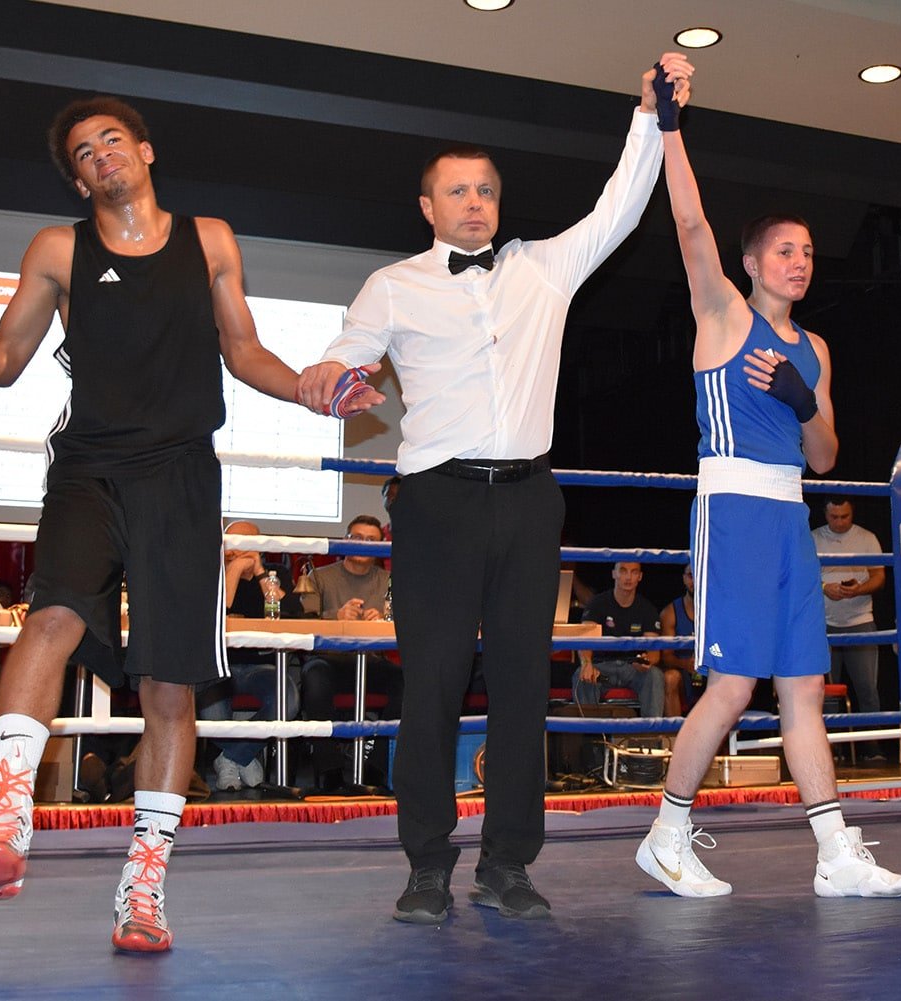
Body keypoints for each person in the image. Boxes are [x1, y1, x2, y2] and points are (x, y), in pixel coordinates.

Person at [0, 95, 310, 952]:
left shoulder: (212, 240)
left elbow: (243, 349)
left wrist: (309, 386)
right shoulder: (58, 249)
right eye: (84, 151)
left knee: (169, 688)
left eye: (113, 139)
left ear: (145, 152)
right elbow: (7, 357)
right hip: (90, 468)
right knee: (50, 618)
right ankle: (4, 820)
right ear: (79, 180)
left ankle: (143, 888)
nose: (102, 153)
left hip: (182, 477)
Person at [294, 54, 695, 924]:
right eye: (457, 191)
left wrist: (649, 118)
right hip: (436, 503)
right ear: (428, 207)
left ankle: (507, 862)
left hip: (528, 500)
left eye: (485, 190)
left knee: (520, 688)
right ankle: (426, 865)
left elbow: (621, 205)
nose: (474, 202)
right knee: (433, 685)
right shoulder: (392, 285)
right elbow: (346, 354)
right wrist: (332, 378)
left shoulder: (544, 268)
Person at [634, 74, 901, 901]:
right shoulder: (723, 313)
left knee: (804, 689)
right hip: (732, 511)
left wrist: (802, 399)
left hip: (790, 513)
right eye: (785, 251)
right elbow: (690, 223)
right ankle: (665, 835)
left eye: (809, 254)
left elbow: (825, 456)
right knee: (731, 686)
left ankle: (834, 854)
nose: (799, 263)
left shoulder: (815, 348)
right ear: (753, 262)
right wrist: (669, 126)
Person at [298, 514, 400, 789]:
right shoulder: (319, 576)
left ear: (381, 547)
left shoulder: (391, 580)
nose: (362, 544)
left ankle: (378, 766)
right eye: (357, 538)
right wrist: (337, 617)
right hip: (328, 660)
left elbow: (408, 621)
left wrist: (385, 620)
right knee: (314, 678)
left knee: (405, 681)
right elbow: (301, 621)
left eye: (371, 540)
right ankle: (329, 770)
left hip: (372, 660)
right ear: (345, 539)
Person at [199, 520, 298, 792]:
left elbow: (289, 613)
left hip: (261, 666)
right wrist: (232, 570)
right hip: (219, 666)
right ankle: (243, 759)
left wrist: (260, 572)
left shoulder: (276, 573)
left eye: (243, 545)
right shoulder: (211, 570)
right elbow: (216, 613)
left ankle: (230, 759)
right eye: (230, 543)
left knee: (288, 701)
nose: (234, 550)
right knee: (211, 714)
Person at [811, 498, 887, 761]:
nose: (840, 522)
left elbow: (879, 576)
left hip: (860, 621)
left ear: (852, 512)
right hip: (824, 624)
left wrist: (859, 589)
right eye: (835, 517)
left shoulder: (867, 538)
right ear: (825, 514)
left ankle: (872, 748)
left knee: (867, 688)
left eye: (845, 516)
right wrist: (824, 588)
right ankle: (832, 750)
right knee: (827, 691)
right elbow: (800, 575)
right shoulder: (813, 539)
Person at [573, 562, 665, 718]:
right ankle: (589, 732)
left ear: (640, 576)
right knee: (582, 675)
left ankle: (651, 731)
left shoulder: (647, 609)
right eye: (623, 571)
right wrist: (586, 663)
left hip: (632, 669)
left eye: (634, 572)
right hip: (601, 668)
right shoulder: (597, 603)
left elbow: (654, 652)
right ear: (614, 574)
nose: (628, 577)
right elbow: (585, 639)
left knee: (655, 675)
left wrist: (646, 661)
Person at [657, 563, 700, 715]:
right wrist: (686, 664)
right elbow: (666, 657)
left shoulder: (719, 611)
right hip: (684, 673)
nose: (695, 580)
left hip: (711, 670)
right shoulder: (670, 612)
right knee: (670, 678)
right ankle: (674, 730)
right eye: (690, 575)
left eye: (699, 574)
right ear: (684, 579)